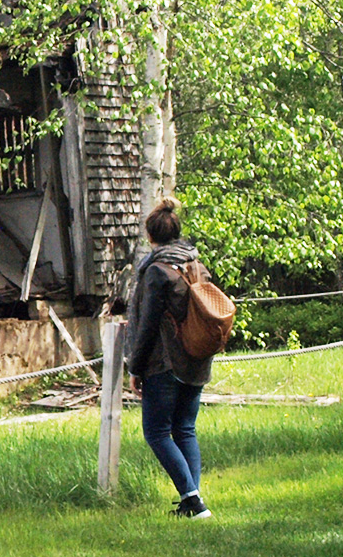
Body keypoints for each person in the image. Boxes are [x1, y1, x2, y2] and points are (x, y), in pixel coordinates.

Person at [127, 197, 216, 519]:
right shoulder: (196, 265)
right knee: (185, 429)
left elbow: (148, 325)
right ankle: (192, 501)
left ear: (150, 236)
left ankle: (193, 501)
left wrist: (135, 367)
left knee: (157, 432)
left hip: (164, 362)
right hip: (196, 357)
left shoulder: (156, 271)